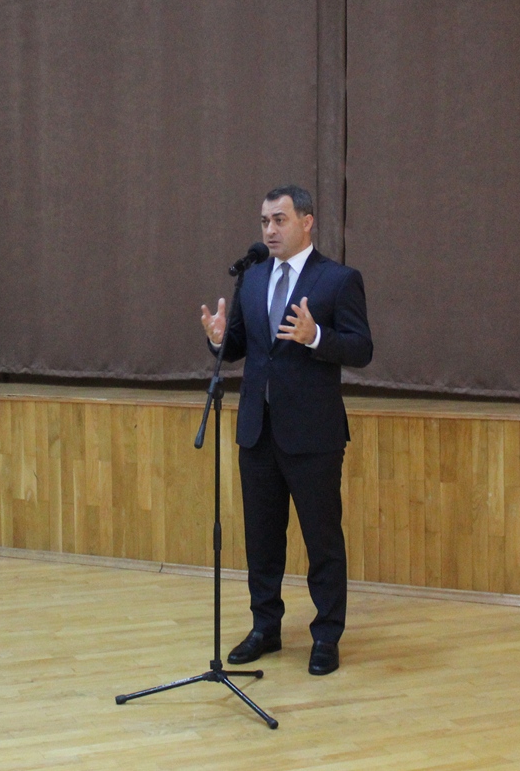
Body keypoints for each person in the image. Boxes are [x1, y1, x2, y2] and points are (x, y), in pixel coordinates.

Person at [200, 184, 373, 676]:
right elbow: (239, 345)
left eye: (279, 220)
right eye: (264, 222)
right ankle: (265, 627)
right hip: (258, 430)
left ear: (306, 221)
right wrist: (219, 339)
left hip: (313, 435)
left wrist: (315, 336)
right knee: (261, 539)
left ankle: (326, 636)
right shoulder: (253, 278)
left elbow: (361, 348)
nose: (270, 231)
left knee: (322, 541)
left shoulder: (338, 280)